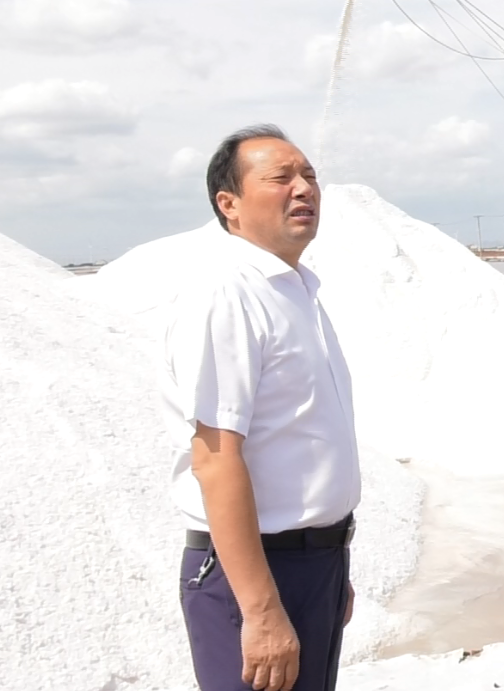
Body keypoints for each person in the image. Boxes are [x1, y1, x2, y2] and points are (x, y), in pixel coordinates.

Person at [162, 124, 362, 691]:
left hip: (312, 566)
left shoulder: (296, 292)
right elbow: (215, 459)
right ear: (229, 204)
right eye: (281, 177)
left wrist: (329, 565)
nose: (304, 188)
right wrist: (262, 607)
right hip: (255, 573)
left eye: (310, 175)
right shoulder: (228, 293)